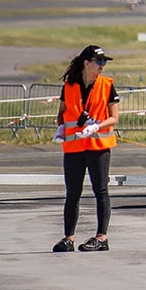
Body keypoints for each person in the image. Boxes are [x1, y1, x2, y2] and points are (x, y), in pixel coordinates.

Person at [54, 44, 119, 253]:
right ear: (86, 63)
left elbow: (114, 118)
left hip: (98, 145)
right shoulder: (69, 86)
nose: (102, 66)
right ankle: (68, 238)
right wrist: (61, 126)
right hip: (74, 147)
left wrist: (97, 126)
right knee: (72, 193)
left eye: (104, 62)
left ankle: (102, 237)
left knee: (100, 190)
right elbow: (61, 114)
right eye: (98, 62)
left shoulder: (107, 85)